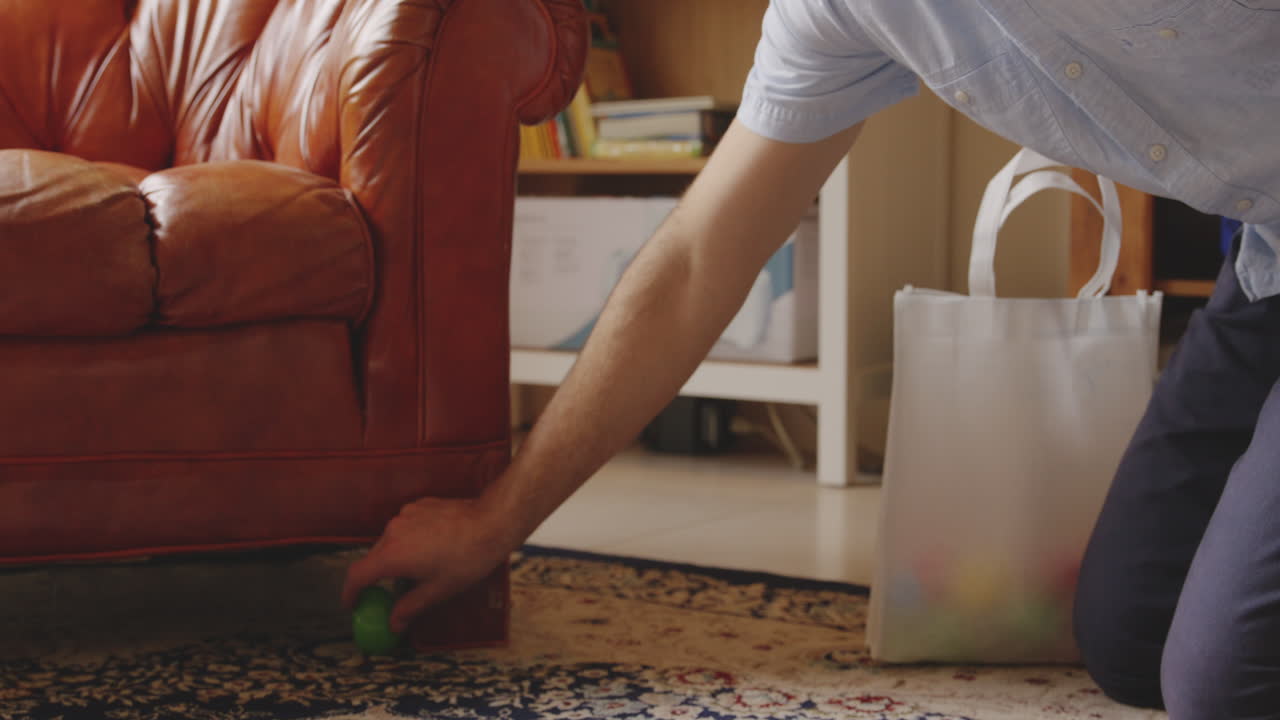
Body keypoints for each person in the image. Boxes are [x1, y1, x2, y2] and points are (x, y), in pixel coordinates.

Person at [342, 3, 1280, 716]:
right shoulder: (832, 13)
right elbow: (695, 260)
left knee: (1226, 685)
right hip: (1267, 259)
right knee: (1129, 635)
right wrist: (495, 521)